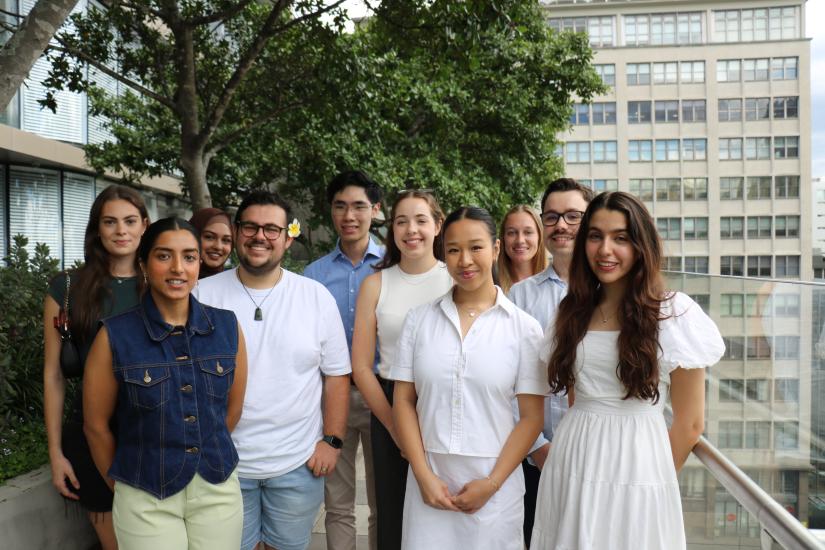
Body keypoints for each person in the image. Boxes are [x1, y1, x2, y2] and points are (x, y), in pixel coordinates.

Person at [530, 192, 724, 549]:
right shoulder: (572, 311)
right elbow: (576, 396)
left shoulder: (673, 313)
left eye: (620, 238)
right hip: (574, 456)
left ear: (641, 245)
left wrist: (650, 481)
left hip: (639, 460)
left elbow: (690, 423)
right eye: (595, 236)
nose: (605, 250)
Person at [195, 190, 351, 550]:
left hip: (298, 463)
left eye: (271, 229)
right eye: (250, 227)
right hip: (224, 465)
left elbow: (337, 376)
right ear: (236, 232)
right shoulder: (201, 295)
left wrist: (332, 441)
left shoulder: (314, 297)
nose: (260, 236)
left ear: (286, 237)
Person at [83, 217, 248, 550]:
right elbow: (96, 426)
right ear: (144, 263)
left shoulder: (227, 327)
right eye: (164, 256)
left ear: (199, 263)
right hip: (144, 495)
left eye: (189, 256)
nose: (178, 268)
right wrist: (123, 488)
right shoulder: (115, 335)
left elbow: (231, 409)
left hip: (216, 488)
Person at [390, 206, 546, 550]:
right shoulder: (419, 321)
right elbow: (403, 400)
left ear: (495, 249)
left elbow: (533, 418)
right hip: (430, 480)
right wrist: (422, 475)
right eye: (453, 250)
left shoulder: (523, 328)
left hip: (496, 484)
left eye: (475, 247)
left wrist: (491, 483)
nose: (465, 260)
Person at [42, 184, 149, 550]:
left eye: (130, 221)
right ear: (97, 229)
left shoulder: (164, 282)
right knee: (115, 543)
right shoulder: (67, 287)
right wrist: (56, 453)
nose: (121, 230)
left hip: (150, 431)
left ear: (145, 226)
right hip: (89, 431)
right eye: (110, 222)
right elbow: (54, 375)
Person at [350, 190, 453, 550]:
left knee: (446, 507)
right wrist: (395, 426)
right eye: (402, 221)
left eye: (421, 220)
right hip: (391, 402)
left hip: (447, 402)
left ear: (438, 226)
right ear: (391, 229)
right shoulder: (375, 284)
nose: (412, 230)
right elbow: (362, 366)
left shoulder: (456, 278)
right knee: (393, 512)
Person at [507, 178, 593, 545]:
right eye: (553, 216)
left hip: (594, 454)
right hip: (534, 456)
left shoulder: (611, 293)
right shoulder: (520, 295)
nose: (561, 225)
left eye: (573, 216)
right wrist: (536, 446)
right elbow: (509, 378)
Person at [303, 170, 383, 550]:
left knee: (384, 501)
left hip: (383, 397)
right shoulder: (313, 275)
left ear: (376, 210)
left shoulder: (392, 267)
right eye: (340, 206)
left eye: (359, 206)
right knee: (337, 502)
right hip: (331, 397)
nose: (349, 215)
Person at [497, 205, 547, 294]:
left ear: (540, 237)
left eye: (528, 232)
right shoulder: (491, 286)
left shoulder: (557, 284)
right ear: (503, 238)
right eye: (512, 233)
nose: (520, 240)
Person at [189, 208, 234, 278]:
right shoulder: (173, 279)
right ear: (193, 237)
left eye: (226, 240)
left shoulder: (234, 284)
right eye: (209, 237)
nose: (218, 246)